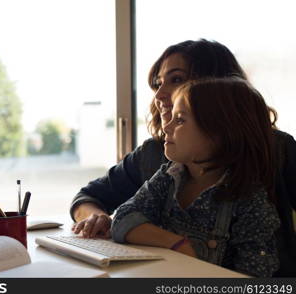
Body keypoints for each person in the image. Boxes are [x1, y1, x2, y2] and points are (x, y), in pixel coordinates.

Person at [70, 39, 296, 276]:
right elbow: (89, 196)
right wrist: (96, 218)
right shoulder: (159, 156)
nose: (159, 94)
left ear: (218, 90)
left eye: (176, 79)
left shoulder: (277, 149)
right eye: (158, 83)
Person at [111, 77, 279, 277]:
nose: (166, 127)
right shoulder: (169, 177)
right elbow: (123, 219)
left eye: (180, 120)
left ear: (221, 132)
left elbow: (255, 275)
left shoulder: (250, 202)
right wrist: (176, 243)